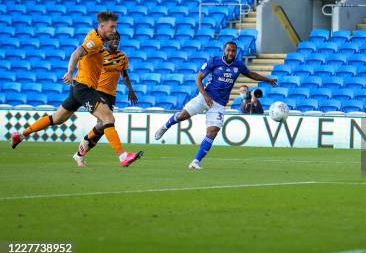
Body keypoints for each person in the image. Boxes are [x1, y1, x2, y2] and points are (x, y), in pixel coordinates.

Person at [11, 12, 143, 167]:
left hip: (79, 87)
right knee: (108, 119)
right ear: (101, 26)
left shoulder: (97, 38)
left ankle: (20, 134)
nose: (114, 31)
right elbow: (76, 53)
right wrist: (69, 72)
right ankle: (123, 156)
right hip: (84, 88)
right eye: (112, 27)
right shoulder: (94, 41)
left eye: (116, 27)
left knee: (57, 118)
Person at [154, 41, 277, 169]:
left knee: (212, 131)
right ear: (224, 50)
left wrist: (267, 80)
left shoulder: (238, 65)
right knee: (182, 116)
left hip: (219, 104)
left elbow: (251, 74)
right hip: (204, 97)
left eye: (233, 51)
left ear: (236, 52)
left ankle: (196, 161)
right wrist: (206, 96)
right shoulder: (214, 61)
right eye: (228, 50)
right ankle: (165, 127)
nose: (230, 53)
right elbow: (198, 79)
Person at [73, 32, 138, 167]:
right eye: (113, 38)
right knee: (105, 123)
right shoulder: (100, 53)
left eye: (117, 39)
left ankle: (80, 154)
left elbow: (124, 75)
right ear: (107, 41)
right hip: (98, 91)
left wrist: (131, 90)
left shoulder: (122, 57)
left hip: (111, 95)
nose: (115, 41)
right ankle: (122, 156)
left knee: (101, 127)